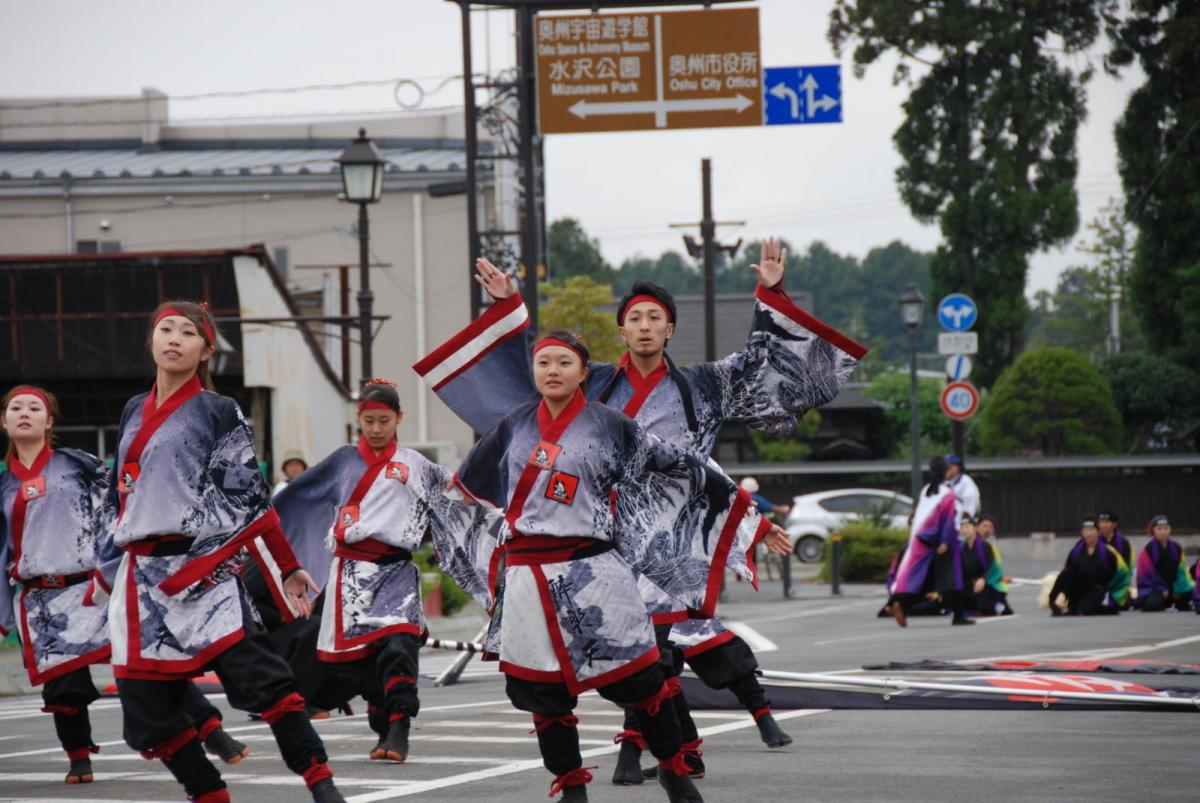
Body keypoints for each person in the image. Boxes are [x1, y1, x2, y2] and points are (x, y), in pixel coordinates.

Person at [415, 239, 863, 779]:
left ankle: (649, 755)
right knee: (626, 655)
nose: (646, 326)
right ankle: (672, 751)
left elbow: (759, 371)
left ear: (670, 329)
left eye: (655, 318)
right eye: (635, 318)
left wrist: (771, 293)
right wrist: (509, 307)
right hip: (593, 537)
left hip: (665, 537)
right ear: (622, 331)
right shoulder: (592, 382)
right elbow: (540, 369)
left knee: (651, 650)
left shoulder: (701, 385)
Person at [450, 330, 788, 803]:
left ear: (584, 373)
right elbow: (468, 489)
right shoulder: (513, 425)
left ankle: (673, 766)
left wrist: (752, 517)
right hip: (527, 576)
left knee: (642, 680)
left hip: (595, 572)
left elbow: (681, 467)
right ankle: (571, 787)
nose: (553, 371)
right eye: (544, 362)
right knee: (540, 691)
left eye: (564, 363)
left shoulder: (612, 425)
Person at [87, 301, 344, 803]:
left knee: (265, 682)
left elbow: (250, 498)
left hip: (202, 572)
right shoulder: (133, 409)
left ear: (206, 350)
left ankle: (321, 783)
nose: (175, 339)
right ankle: (208, 794)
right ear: (151, 339)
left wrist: (288, 566)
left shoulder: (218, 410)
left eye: (189, 332)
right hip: (142, 579)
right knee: (146, 704)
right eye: (165, 329)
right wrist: (106, 567)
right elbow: (122, 498)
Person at [0, 385, 248, 785]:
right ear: (4, 421)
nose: (24, 413)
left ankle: (210, 729)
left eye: (35, 408)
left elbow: (124, 499)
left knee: (153, 661)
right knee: (64, 687)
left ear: (50, 421)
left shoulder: (80, 466)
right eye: (15, 408)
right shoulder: (3, 486)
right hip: (42, 600)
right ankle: (79, 757)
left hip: (97, 586)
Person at [269, 379, 488, 763]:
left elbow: (457, 491)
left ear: (398, 418)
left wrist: (485, 489)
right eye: (368, 420)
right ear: (359, 419)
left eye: (384, 420)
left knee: (399, 643)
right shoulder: (341, 461)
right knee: (357, 661)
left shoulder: (416, 465)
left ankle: (401, 724)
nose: (375, 428)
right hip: (350, 573)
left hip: (396, 571)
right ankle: (380, 708)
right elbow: (296, 497)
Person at [887, 457, 972, 627]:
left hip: (922, 540)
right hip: (943, 541)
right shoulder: (947, 494)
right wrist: (945, 542)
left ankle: (898, 603)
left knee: (922, 577)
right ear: (946, 472)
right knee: (954, 578)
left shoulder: (927, 490)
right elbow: (947, 520)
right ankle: (958, 616)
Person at [1047, 517, 1130, 616]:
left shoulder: (1108, 552)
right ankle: (1052, 601)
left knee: (1085, 610)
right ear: (1082, 532)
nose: (1089, 534)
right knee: (1066, 573)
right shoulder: (1076, 551)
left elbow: (1120, 573)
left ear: (1098, 532)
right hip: (1078, 589)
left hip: (1097, 590)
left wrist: (1110, 592)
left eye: (1092, 530)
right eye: (1086, 530)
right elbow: (1068, 572)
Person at [1134, 515, 1194, 612]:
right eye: (1159, 529)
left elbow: (1181, 570)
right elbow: (1147, 574)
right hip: (1155, 588)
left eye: (1166, 528)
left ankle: (1173, 601)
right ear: (1153, 530)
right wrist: (1161, 588)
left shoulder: (1176, 548)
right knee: (1151, 605)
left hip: (1174, 587)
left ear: (1170, 530)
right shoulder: (1148, 550)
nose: (1163, 532)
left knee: (1194, 592)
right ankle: (1171, 602)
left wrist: (1177, 589)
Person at [958, 516, 1012, 616]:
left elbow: (994, 568)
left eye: (967, 527)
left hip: (986, 584)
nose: (964, 530)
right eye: (962, 528)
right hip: (969, 585)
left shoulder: (985, 546)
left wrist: (983, 579)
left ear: (974, 528)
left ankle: (999, 604)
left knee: (985, 607)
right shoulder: (960, 548)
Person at [944, 454, 980, 522]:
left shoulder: (966, 482)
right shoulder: (945, 483)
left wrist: (965, 523)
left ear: (959, 467)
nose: (948, 468)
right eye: (946, 466)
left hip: (963, 525)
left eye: (951, 465)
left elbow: (970, 505)